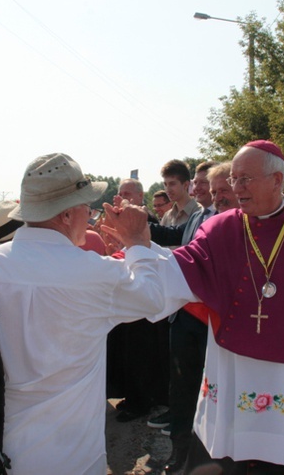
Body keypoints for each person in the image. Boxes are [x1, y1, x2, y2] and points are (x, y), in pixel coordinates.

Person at [121, 140, 284, 474]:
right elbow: (179, 269)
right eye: (234, 179)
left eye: (245, 179)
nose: (236, 188)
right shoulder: (219, 228)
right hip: (232, 373)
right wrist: (137, 245)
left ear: (277, 181)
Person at [0, 152, 173, 474]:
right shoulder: (94, 274)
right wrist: (137, 241)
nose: (90, 213)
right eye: (86, 205)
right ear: (67, 215)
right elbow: (152, 298)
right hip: (72, 459)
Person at [147, 162, 233, 472]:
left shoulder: (244, 221)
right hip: (185, 318)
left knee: (215, 389)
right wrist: (140, 228)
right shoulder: (198, 216)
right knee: (182, 387)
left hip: (220, 321)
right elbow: (178, 242)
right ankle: (179, 453)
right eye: (205, 185)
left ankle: (214, 455)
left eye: (219, 188)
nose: (207, 191)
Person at [106, 178, 170, 423]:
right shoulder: (122, 219)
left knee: (142, 354)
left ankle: (143, 401)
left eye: (127, 193)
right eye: (120, 193)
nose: (121, 197)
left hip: (148, 296)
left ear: (140, 197)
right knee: (127, 352)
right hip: (129, 291)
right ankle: (133, 396)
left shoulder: (147, 221)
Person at [160, 159, 201, 228]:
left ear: (185, 185)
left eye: (172, 184)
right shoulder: (167, 216)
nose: (167, 189)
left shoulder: (200, 211)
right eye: (165, 184)